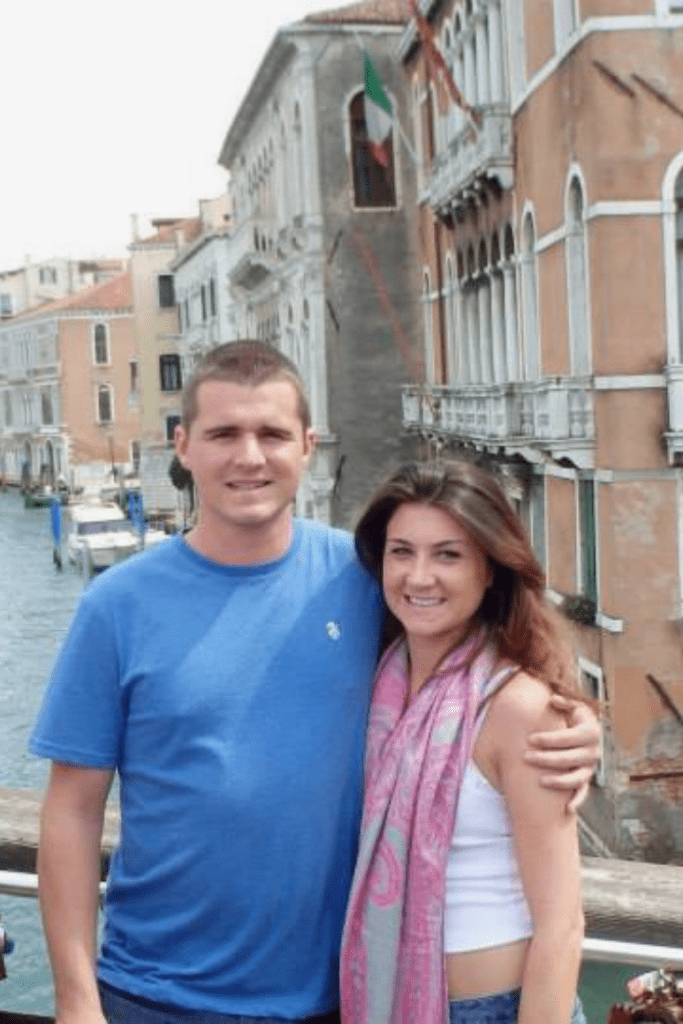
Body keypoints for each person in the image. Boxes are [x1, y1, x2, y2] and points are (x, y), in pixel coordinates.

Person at [30, 342, 599, 1024]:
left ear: (307, 445)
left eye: (271, 433)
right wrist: (74, 995)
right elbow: (70, 811)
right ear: (184, 446)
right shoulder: (115, 606)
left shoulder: (367, 578)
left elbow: (474, 671)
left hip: (341, 994)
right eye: (223, 434)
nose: (249, 456)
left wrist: (575, 728)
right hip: (154, 994)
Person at [340, 460, 593, 1024]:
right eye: (401, 551)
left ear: (491, 570)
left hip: (500, 1010)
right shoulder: (379, 686)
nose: (419, 576)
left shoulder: (519, 707)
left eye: (447, 554)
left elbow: (562, 922)